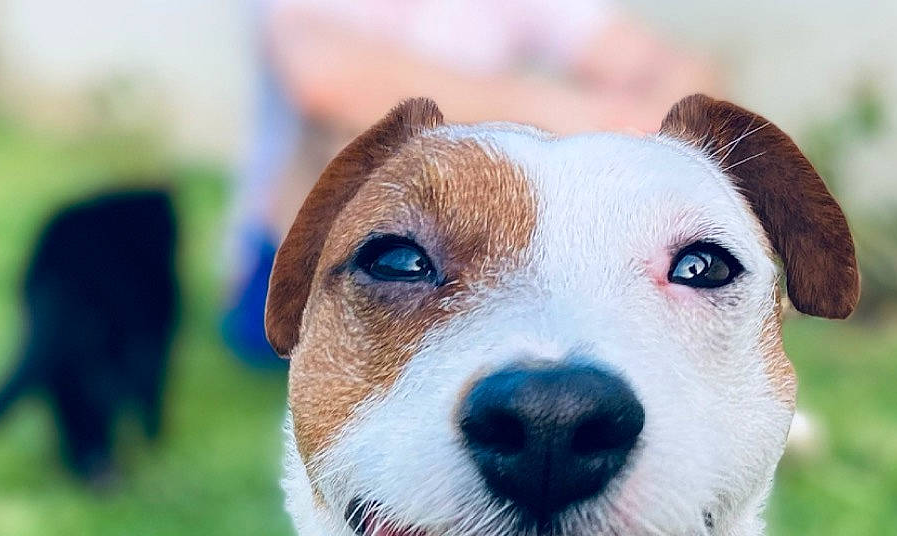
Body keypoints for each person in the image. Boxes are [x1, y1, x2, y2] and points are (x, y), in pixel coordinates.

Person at [224, 0, 718, 364]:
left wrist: (648, 108)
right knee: (354, 139)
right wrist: (581, 114)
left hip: (487, 259)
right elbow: (325, 80)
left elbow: (684, 73)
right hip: (293, 280)